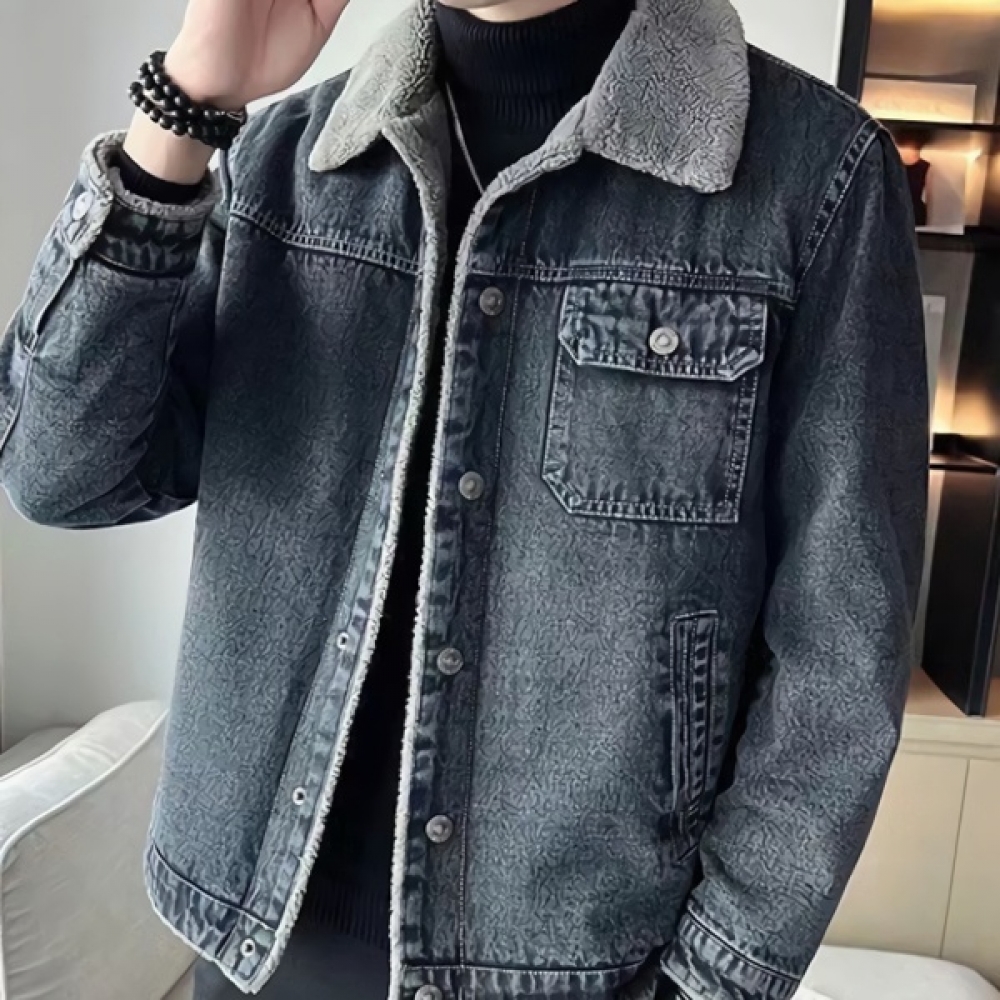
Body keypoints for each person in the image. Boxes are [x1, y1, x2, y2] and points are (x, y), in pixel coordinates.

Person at [0, 0, 929, 997]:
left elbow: (841, 647)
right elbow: (63, 475)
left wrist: (714, 976)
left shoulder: (812, 177)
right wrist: (184, 104)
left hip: (580, 966)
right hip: (260, 943)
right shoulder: (283, 165)